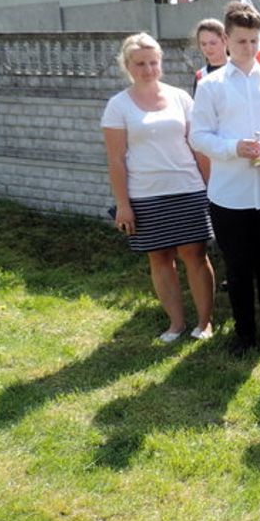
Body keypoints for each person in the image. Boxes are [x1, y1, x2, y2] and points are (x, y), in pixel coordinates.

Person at [190, 2, 260, 355]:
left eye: (254, 41)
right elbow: (199, 136)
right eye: (241, 41)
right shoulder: (211, 85)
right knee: (237, 270)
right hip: (229, 196)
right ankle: (244, 335)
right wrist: (234, 147)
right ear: (225, 39)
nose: (249, 48)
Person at [101, 33, 215, 342]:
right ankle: (176, 323)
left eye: (153, 62)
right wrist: (123, 204)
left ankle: (205, 323)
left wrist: (212, 190)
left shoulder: (181, 97)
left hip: (188, 188)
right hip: (145, 194)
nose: (148, 69)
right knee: (160, 257)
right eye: (140, 63)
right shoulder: (118, 105)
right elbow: (115, 160)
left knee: (195, 255)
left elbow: (199, 148)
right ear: (127, 66)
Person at [192, 18, 227, 95]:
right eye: (203, 44)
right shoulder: (200, 76)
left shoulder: (238, 69)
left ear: (225, 40)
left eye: (213, 43)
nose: (208, 48)